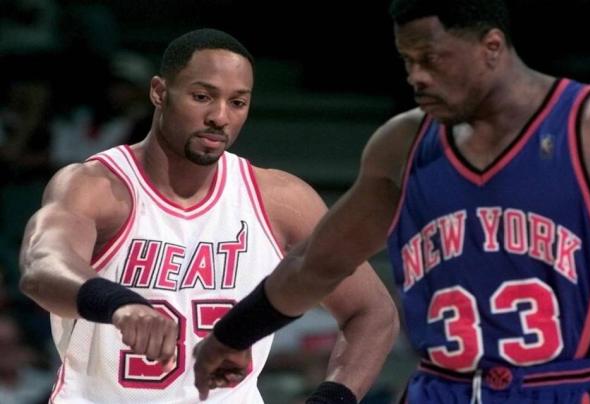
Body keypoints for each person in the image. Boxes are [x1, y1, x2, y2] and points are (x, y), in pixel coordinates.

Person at [192, 1, 590, 403]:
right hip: (443, 388)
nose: (416, 76)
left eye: (431, 58)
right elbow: (317, 262)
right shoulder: (402, 144)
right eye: (407, 60)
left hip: (569, 387)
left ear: (492, 46)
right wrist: (232, 334)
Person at [18, 28, 398, 403]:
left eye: (238, 102)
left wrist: (330, 400)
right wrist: (118, 304)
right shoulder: (95, 185)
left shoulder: (279, 199)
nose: (220, 116)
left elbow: (372, 312)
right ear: (159, 92)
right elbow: (41, 267)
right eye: (202, 96)